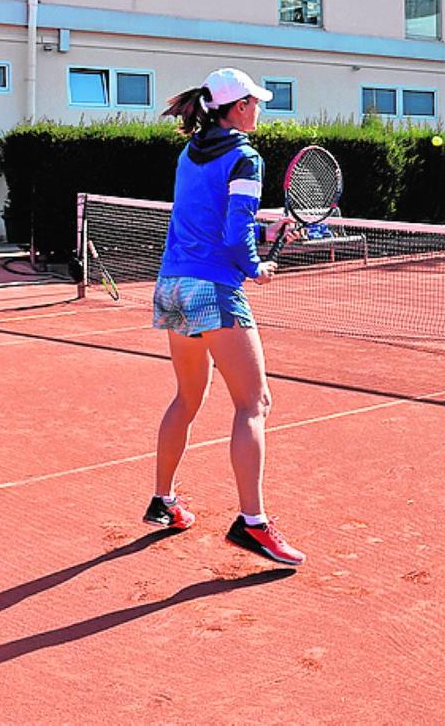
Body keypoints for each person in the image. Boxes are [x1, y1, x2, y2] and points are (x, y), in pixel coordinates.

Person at [144, 67, 306, 565]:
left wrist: (264, 231)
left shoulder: (190, 153)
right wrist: (258, 266)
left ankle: (163, 500)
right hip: (212, 288)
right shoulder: (246, 158)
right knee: (255, 403)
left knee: (188, 396)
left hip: (172, 285)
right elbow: (235, 236)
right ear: (237, 108)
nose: (259, 108)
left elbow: (218, 218)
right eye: (254, 102)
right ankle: (253, 524)